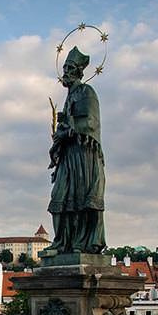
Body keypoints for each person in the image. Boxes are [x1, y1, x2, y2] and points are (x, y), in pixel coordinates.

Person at [47, 46, 106, 255]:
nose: (66, 72)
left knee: (82, 198)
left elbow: (90, 123)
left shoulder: (86, 92)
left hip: (84, 156)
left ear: (80, 72)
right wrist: (59, 136)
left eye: (70, 68)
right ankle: (62, 242)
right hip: (68, 156)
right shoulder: (69, 96)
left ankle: (81, 243)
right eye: (65, 67)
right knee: (59, 196)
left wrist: (68, 127)